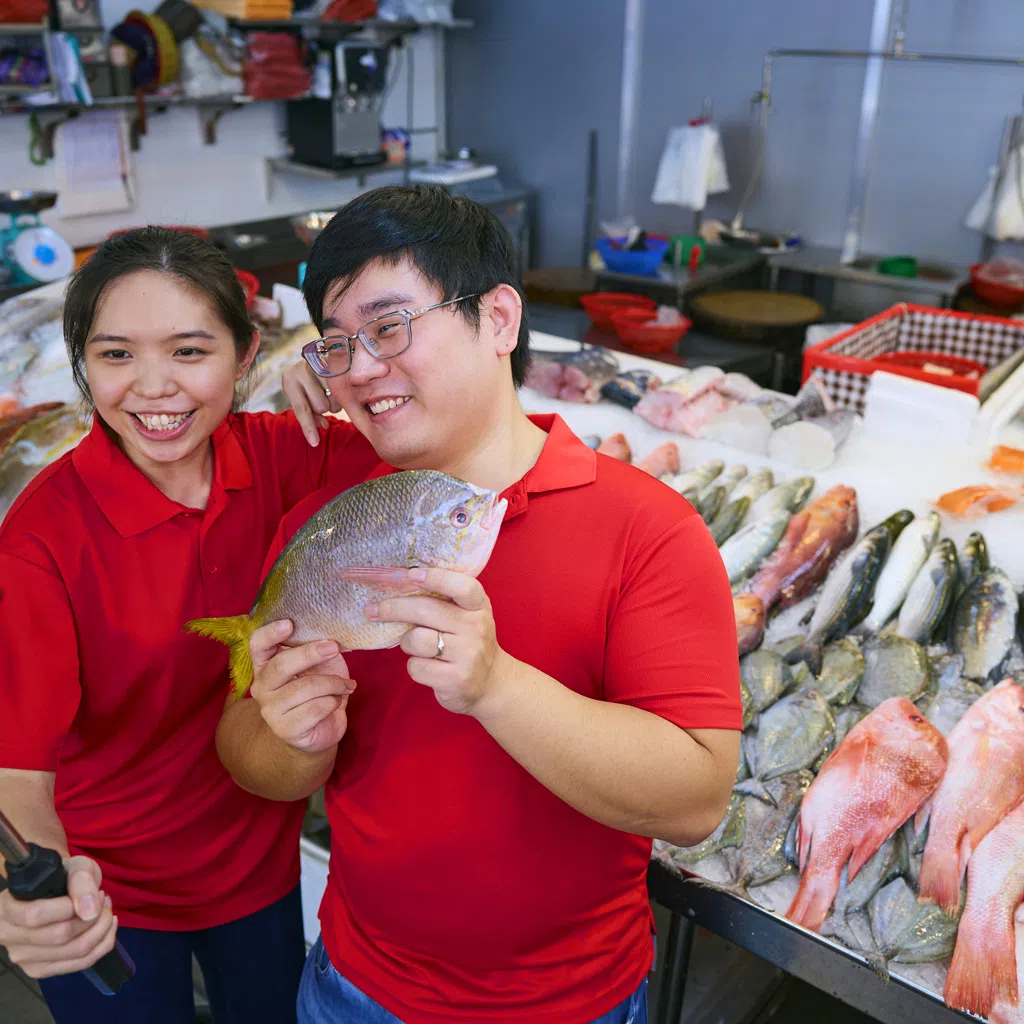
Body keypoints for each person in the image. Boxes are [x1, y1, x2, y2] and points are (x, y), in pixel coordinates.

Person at [216, 184, 743, 1024]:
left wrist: (498, 685)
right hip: (352, 985)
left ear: (499, 319)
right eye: (338, 346)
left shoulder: (648, 528)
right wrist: (292, 740)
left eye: (389, 328)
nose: (361, 371)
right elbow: (250, 757)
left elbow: (695, 801)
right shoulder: (330, 512)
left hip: (572, 1005)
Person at [0, 227, 379, 1023]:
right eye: (115, 356)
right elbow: (18, 773)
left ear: (247, 358)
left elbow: (445, 461)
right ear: (83, 365)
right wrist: (39, 889)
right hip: (111, 888)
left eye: (188, 351)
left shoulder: (292, 457)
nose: (152, 388)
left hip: (260, 870)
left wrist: (345, 372)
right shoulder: (41, 540)